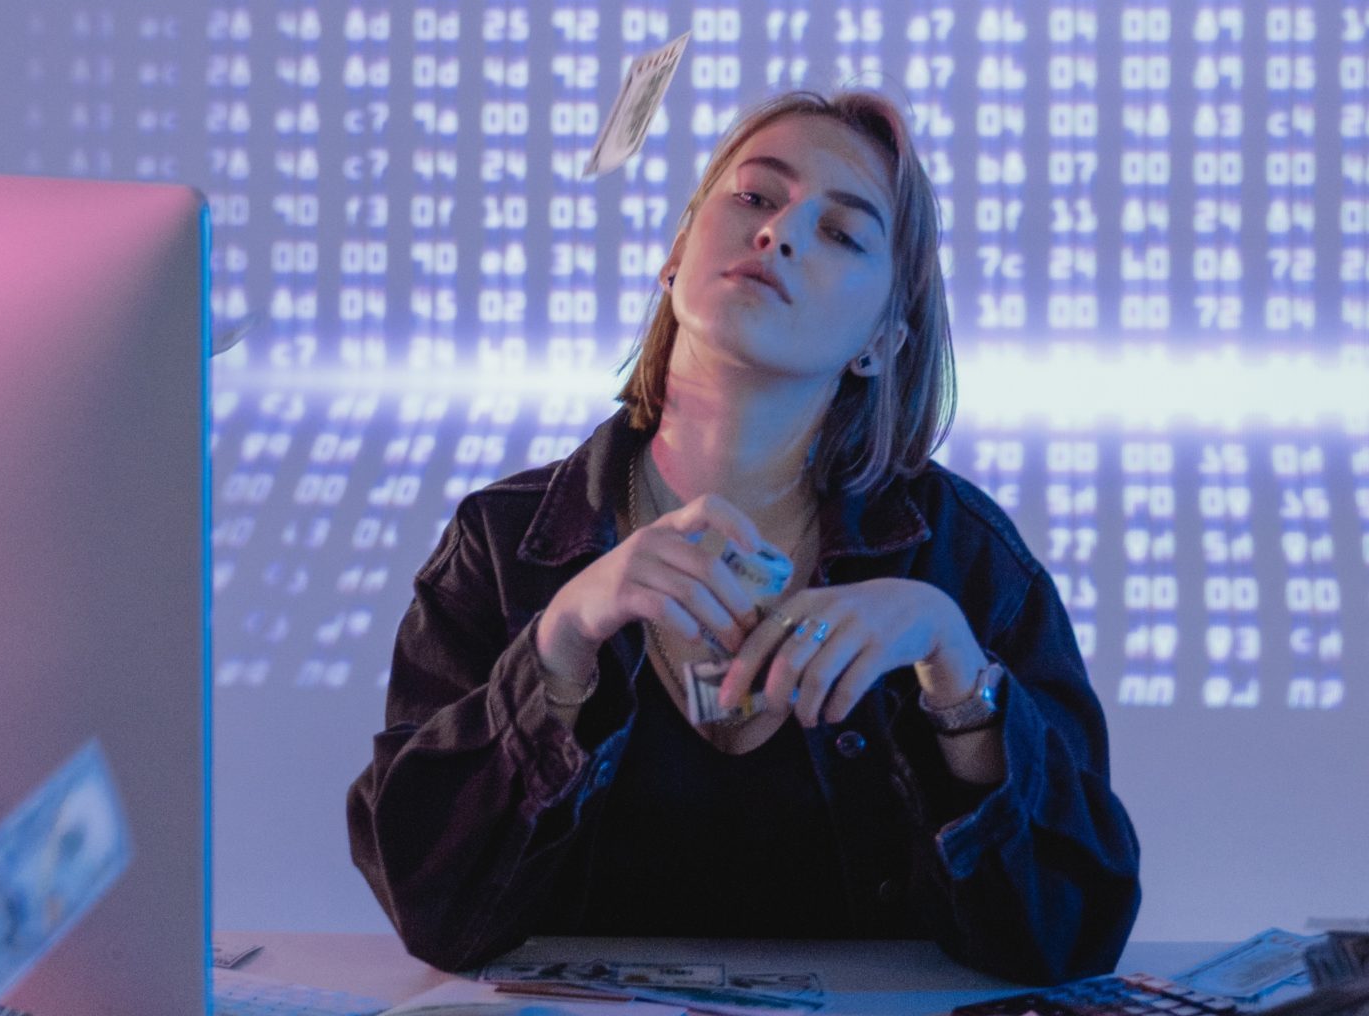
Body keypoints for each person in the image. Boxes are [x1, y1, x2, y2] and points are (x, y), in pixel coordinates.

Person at [346, 89, 1141, 983]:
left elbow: (1068, 936)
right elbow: (436, 913)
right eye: (755, 198)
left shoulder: (966, 558)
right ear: (676, 251)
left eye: (842, 233)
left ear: (882, 338)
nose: (778, 234)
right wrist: (561, 643)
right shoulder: (500, 542)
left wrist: (957, 676)